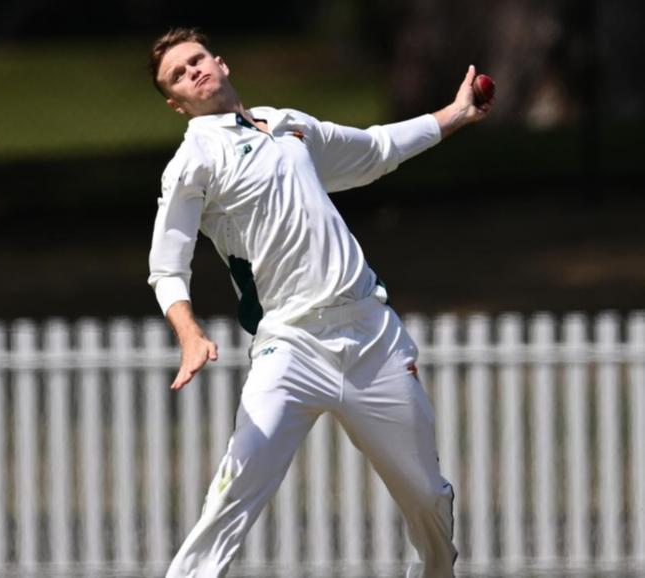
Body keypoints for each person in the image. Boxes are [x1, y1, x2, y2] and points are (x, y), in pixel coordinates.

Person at [147, 27, 491, 578]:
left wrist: (455, 113)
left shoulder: (288, 124)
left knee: (427, 496)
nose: (192, 72)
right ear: (175, 101)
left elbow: (377, 150)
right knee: (233, 495)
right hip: (290, 346)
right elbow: (167, 266)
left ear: (221, 61)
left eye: (196, 60)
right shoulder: (195, 160)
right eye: (178, 76)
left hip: (370, 335)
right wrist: (189, 332)